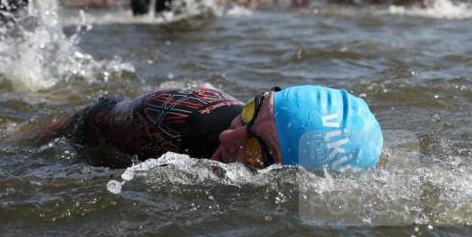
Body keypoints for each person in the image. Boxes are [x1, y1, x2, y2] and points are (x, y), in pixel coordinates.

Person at [39, 85, 383, 172]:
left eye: (256, 150)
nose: (228, 137)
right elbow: (86, 120)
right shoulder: (161, 122)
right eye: (249, 112)